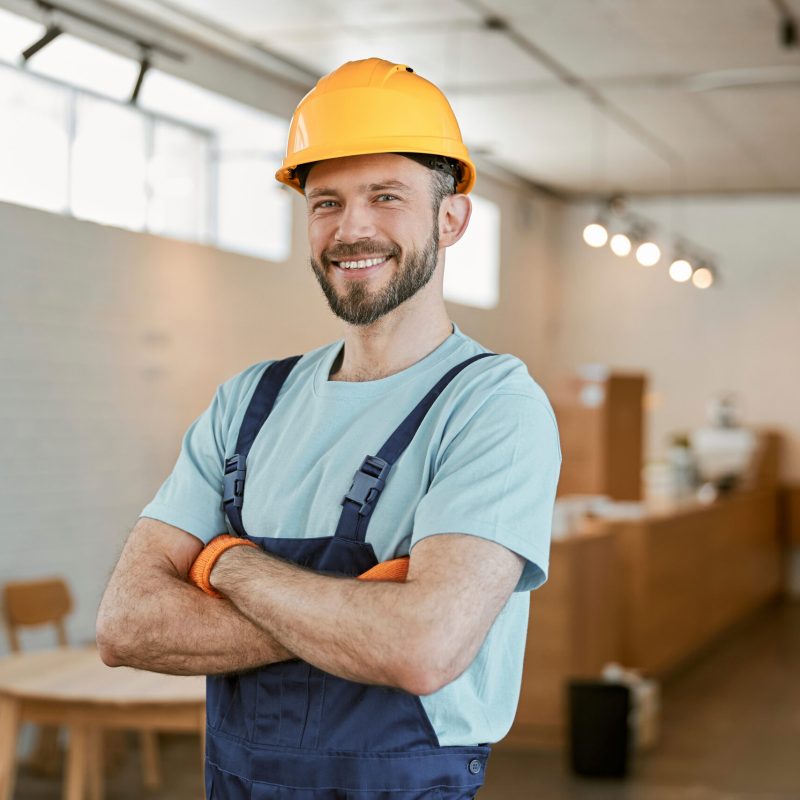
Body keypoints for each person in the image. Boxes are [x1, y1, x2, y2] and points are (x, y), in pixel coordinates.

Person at [96, 57, 561, 799]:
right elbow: (128, 623)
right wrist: (360, 612)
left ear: (452, 217)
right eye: (326, 202)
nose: (353, 229)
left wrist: (226, 567)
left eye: (386, 196)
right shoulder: (248, 401)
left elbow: (423, 647)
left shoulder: (492, 407)